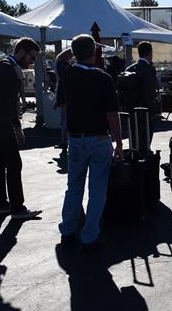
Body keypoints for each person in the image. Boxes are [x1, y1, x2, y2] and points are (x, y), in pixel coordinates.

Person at [59, 34, 124, 249]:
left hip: (76, 139)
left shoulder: (67, 74)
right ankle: (90, 235)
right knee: (97, 190)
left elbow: (60, 58)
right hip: (98, 138)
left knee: (74, 187)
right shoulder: (103, 78)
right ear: (94, 53)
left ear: (75, 53)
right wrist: (119, 143)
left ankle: (67, 230)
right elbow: (112, 114)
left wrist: (78, 49)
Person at [0, 38, 42, 220]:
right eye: (31, 57)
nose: (32, 62)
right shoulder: (10, 70)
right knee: (14, 163)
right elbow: (9, 103)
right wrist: (17, 127)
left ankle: (1, 205)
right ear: (21, 51)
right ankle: (18, 208)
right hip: (2, 119)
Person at [126, 41, 158, 114]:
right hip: (145, 109)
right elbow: (150, 92)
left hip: (130, 108)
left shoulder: (129, 69)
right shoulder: (150, 69)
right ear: (150, 53)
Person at [54, 48, 74, 154]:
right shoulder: (65, 66)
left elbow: (61, 85)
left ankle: (64, 141)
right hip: (66, 98)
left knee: (64, 122)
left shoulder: (61, 65)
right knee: (65, 121)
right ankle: (65, 141)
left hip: (63, 98)